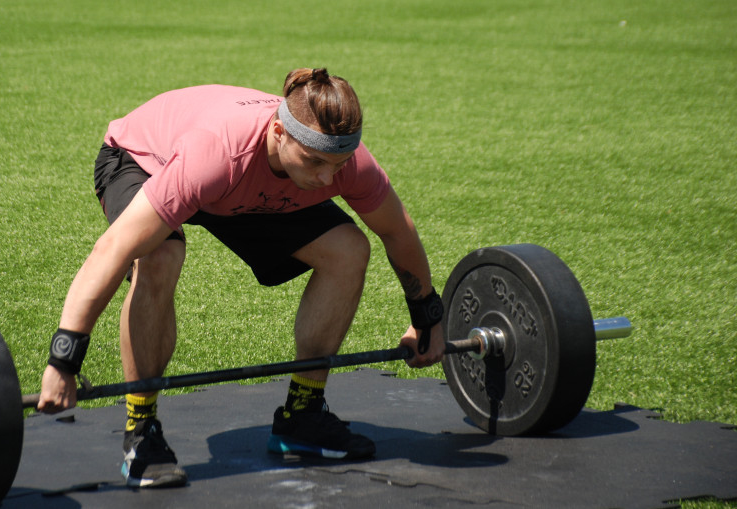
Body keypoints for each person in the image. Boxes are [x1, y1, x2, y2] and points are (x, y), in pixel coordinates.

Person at [37, 68, 445, 488]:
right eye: (316, 162)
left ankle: (302, 415)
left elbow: (397, 230)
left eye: (337, 165)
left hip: (239, 190)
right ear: (279, 132)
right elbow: (113, 250)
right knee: (158, 256)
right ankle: (141, 431)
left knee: (348, 250)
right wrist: (63, 360)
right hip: (143, 160)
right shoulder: (215, 154)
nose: (328, 178)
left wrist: (427, 313)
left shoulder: (343, 164)